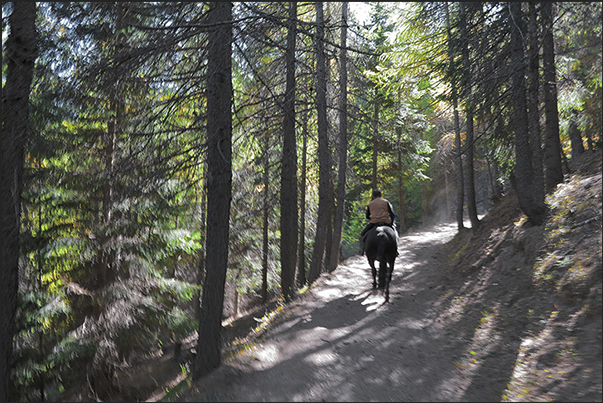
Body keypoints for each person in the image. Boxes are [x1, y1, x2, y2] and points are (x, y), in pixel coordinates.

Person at [358, 189, 398, 256]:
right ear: (381, 195)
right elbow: (392, 214)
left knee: (362, 235)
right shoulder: (386, 202)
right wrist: (391, 222)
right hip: (386, 222)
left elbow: (367, 216)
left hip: (374, 223)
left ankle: (362, 250)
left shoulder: (370, 204)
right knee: (395, 235)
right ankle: (396, 250)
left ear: (373, 196)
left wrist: (373, 217)